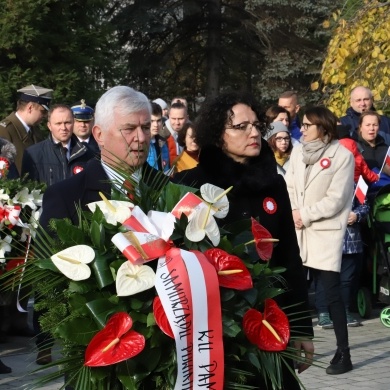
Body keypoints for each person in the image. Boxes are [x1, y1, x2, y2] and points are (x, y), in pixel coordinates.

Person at [173, 91, 314, 389]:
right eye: (241, 126)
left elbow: (289, 256)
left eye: (255, 125)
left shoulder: (273, 184)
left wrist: (302, 329)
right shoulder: (191, 184)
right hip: (216, 331)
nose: (253, 132)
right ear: (217, 135)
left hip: (270, 322)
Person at [285, 106, 354, 375]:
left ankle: (343, 352)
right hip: (298, 230)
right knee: (296, 291)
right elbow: (290, 185)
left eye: (306, 125)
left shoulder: (342, 155)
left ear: (322, 128)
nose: (301, 129)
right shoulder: (299, 151)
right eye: (301, 125)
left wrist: (305, 215)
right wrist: (293, 213)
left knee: (332, 295)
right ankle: (293, 347)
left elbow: (337, 199)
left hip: (324, 232)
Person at [21, 104, 95, 187]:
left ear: (73, 123)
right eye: (58, 123)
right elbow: (28, 190)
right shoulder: (33, 154)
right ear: (49, 126)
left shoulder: (88, 152)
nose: (63, 128)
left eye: (67, 123)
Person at [0, 84, 53, 174]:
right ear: (30, 107)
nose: (44, 116)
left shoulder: (35, 131)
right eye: (43, 111)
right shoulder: (5, 130)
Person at [147, 102, 170, 173]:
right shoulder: (141, 143)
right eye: (152, 121)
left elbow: (166, 168)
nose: (156, 125)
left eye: (158, 120)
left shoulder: (163, 142)